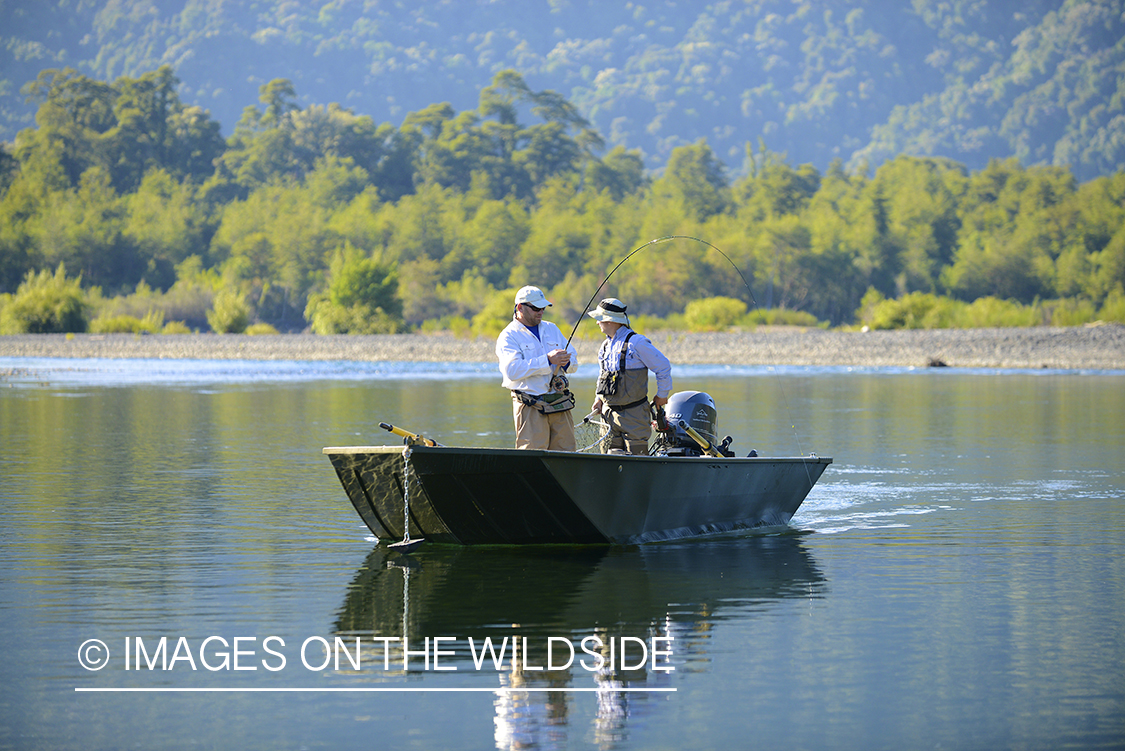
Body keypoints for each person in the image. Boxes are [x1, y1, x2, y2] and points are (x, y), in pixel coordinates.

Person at [496, 286, 578, 451]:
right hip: (530, 406)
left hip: (559, 404)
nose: (540, 311)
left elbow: (574, 362)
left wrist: (566, 362)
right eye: (535, 308)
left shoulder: (552, 328)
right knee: (533, 458)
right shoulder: (508, 336)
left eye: (543, 308)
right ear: (520, 307)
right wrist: (547, 360)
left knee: (567, 456)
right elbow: (512, 371)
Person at [588, 298, 672, 455]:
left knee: (638, 462)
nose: (597, 323)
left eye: (599, 319)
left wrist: (662, 396)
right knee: (608, 462)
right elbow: (602, 376)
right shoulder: (604, 346)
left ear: (610, 320)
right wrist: (598, 399)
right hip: (608, 416)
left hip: (634, 415)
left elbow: (663, 367)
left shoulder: (637, 342)